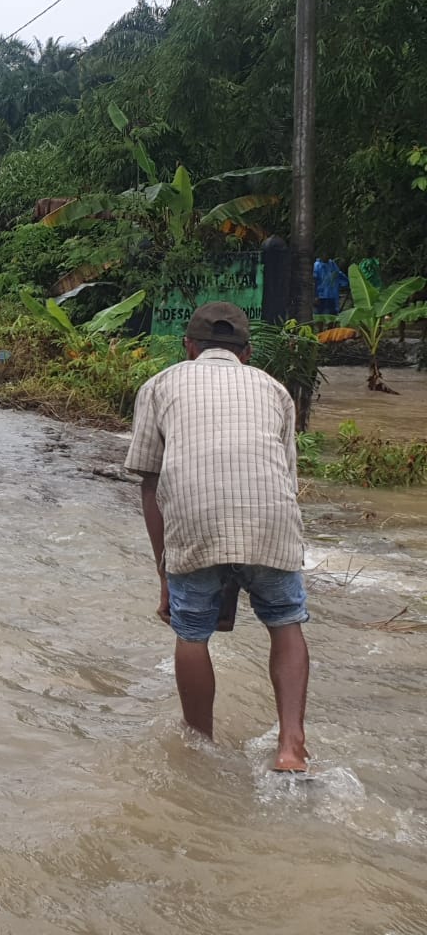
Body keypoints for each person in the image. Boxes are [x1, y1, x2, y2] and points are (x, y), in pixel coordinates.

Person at [124, 302, 310, 773]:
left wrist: (164, 570)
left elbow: (150, 483)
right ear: (247, 352)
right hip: (272, 518)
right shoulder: (275, 390)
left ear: (188, 347)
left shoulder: (161, 385)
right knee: (286, 621)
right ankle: (291, 747)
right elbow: (285, 480)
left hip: (193, 518)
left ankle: (200, 748)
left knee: (191, 632)